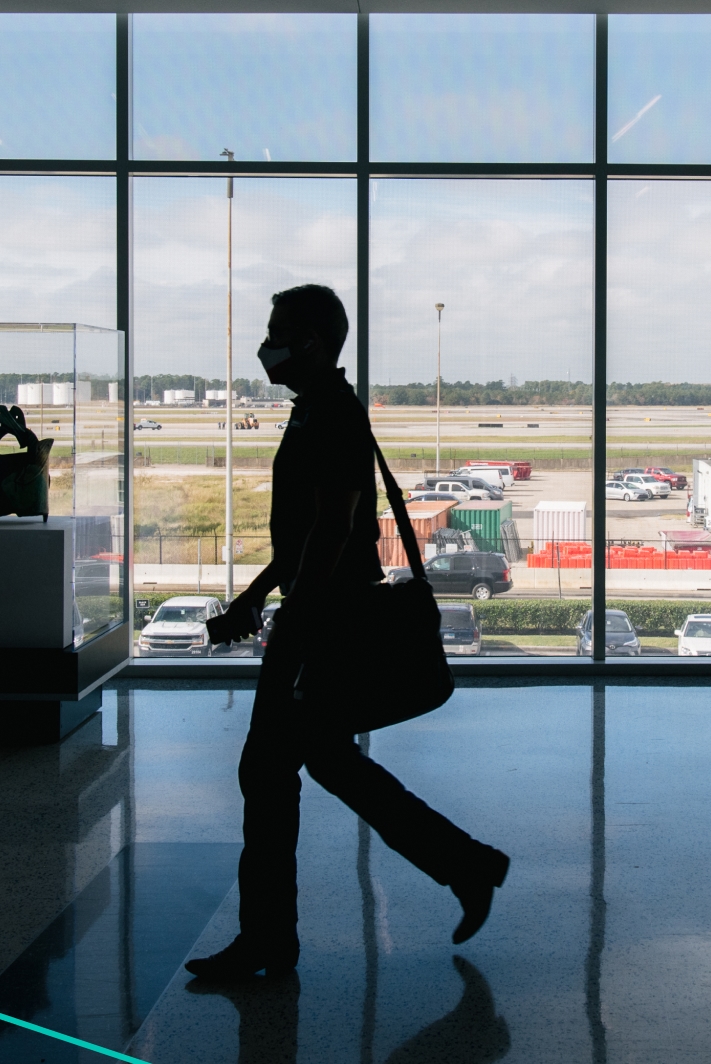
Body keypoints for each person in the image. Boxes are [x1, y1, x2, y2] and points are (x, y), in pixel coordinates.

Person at [187, 284, 510, 980]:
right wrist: (253, 595)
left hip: (320, 625)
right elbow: (306, 533)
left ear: (310, 341)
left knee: (269, 770)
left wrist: (291, 617)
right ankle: (466, 866)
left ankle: (272, 938)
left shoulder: (331, 413)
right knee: (319, 763)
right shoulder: (318, 410)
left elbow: (334, 528)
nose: (265, 346)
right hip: (313, 616)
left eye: (277, 333)